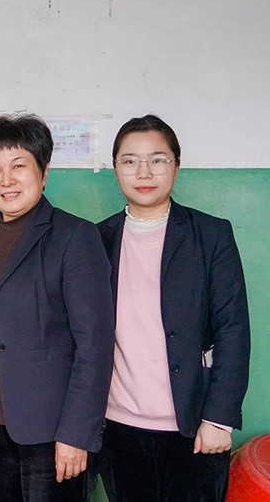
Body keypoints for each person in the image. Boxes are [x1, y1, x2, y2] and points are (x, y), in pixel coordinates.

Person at [0, 114, 115, 501]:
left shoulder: (75, 236)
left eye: (19, 166)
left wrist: (77, 434)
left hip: (52, 433)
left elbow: (95, 345)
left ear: (44, 172)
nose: (6, 180)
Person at [96, 115, 250, 502]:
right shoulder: (97, 239)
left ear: (176, 167)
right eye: (130, 160)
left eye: (158, 159)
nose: (143, 172)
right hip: (117, 426)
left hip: (195, 426)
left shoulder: (211, 235)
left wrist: (220, 418)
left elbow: (233, 329)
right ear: (115, 169)